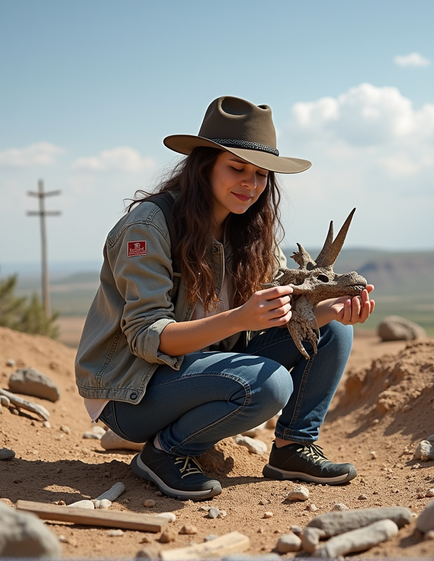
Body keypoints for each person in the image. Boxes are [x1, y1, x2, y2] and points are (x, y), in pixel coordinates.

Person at [75, 96, 376, 501]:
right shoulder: (149, 226)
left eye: (260, 174)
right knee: (269, 386)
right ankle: (165, 453)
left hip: (198, 370)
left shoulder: (251, 234)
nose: (250, 184)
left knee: (331, 329)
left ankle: (291, 449)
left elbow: (275, 316)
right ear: (204, 167)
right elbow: (149, 338)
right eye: (236, 168)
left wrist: (330, 309)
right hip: (132, 391)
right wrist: (240, 318)